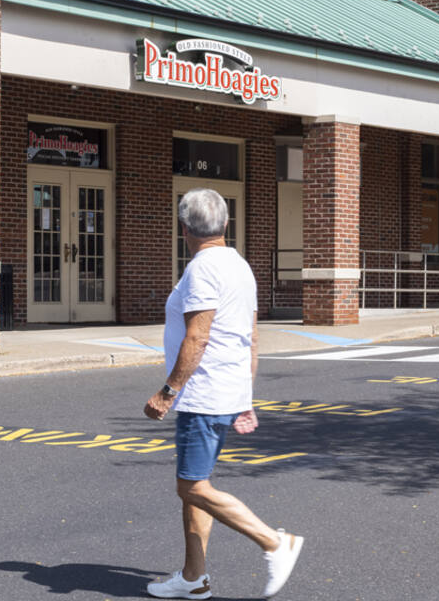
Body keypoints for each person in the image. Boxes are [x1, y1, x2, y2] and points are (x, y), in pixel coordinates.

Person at [143, 187, 305, 600]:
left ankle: (274, 542)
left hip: (203, 393)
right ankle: (194, 578)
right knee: (198, 484)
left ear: (184, 229)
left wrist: (167, 392)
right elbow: (250, 337)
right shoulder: (240, 266)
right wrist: (245, 396)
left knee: (191, 487)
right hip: (226, 390)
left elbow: (197, 337)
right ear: (226, 224)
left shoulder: (201, 269)